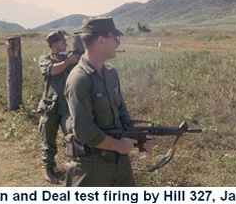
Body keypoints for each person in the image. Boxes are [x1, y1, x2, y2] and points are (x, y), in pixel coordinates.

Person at [64, 16, 155, 187]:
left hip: (119, 163)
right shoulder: (79, 79)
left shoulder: (111, 73)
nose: (118, 43)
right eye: (115, 38)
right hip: (92, 167)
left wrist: (140, 139)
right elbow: (83, 130)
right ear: (100, 40)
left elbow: (122, 115)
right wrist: (119, 146)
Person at [37, 30, 82, 184]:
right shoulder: (45, 59)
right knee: (48, 139)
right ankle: (48, 169)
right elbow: (52, 71)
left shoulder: (70, 58)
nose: (66, 44)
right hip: (50, 106)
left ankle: (75, 168)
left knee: (72, 135)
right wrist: (69, 60)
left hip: (67, 107)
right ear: (54, 44)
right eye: (63, 42)